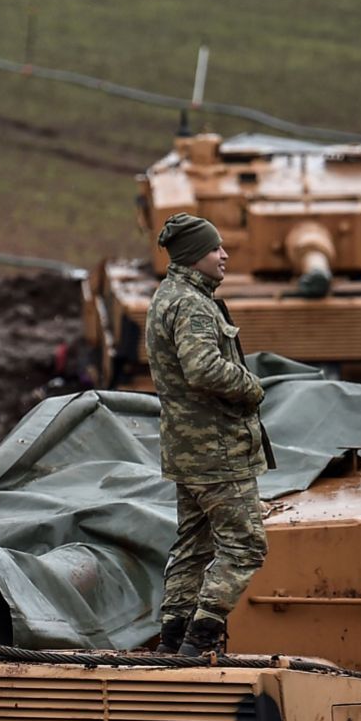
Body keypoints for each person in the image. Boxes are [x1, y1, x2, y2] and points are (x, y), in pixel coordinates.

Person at [143, 213, 269, 657]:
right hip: (215, 450)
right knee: (246, 546)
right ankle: (201, 636)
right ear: (196, 255)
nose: (225, 256)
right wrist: (251, 386)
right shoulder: (193, 304)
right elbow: (202, 367)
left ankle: (174, 639)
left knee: (194, 547)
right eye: (217, 249)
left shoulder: (167, 296)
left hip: (187, 449)